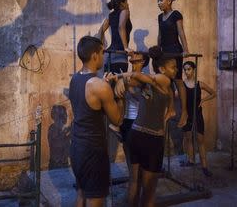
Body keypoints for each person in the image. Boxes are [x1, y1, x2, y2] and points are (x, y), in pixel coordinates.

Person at [113, 46, 177, 207]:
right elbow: (135, 77)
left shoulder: (158, 84)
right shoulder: (163, 79)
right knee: (149, 191)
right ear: (161, 68)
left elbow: (135, 82)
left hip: (137, 134)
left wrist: (120, 78)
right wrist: (120, 76)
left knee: (135, 182)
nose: (176, 70)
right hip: (151, 138)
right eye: (173, 67)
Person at [68, 35, 124, 207]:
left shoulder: (75, 79)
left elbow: (89, 104)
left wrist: (105, 85)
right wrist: (119, 94)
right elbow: (117, 120)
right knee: (95, 200)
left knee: (81, 195)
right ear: (94, 56)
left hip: (77, 146)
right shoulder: (100, 86)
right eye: (102, 53)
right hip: (93, 151)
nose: (104, 57)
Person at [157, 0, 189, 128]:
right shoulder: (160, 17)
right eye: (157, 1)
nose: (158, 3)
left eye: (161, 0)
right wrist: (157, 49)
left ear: (169, 1)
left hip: (175, 51)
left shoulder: (176, 14)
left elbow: (181, 32)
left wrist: (186, 50)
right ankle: (170, 109)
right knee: (166, 81)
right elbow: (160, 35)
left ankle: (185, 112)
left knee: (178, 81)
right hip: (164, 52)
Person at [181, 61, 216, 177]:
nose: (187, 72)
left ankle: (205, 166)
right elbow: (175, 95)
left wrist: (203, 100)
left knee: (200, 141)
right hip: (187, 115)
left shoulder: (199, 84)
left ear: (193, 70)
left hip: (197, 114)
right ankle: (191, 161)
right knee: (188, 139)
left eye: (189, 69)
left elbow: (213, 93)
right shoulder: (182, 85)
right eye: (185, 69)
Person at [98, 0, 133, 73]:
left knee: (108, 84)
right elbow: (121, 27)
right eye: (126, 2)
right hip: (119, 55)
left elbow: (100, 31)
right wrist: (125, 47)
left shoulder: (110, 15)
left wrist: (101, 46)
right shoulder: (125, 11)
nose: (128, 4)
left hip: (108, 55)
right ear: (122, 4)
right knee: (119, 84)